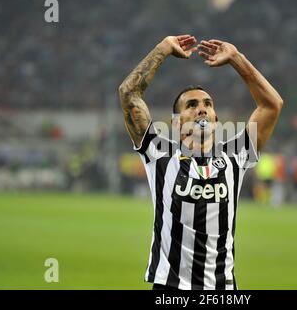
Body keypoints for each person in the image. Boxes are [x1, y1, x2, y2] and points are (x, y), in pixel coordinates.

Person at [118, 35, 284, 290]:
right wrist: (163, 49)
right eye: (191, 105)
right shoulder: (160, 154)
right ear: (176, 123)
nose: (202, 109)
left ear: (216, 118)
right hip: (170, 289)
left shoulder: (235, 155)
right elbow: (128, 94)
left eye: (208, 104)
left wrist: (237, 59)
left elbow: (272, 105)